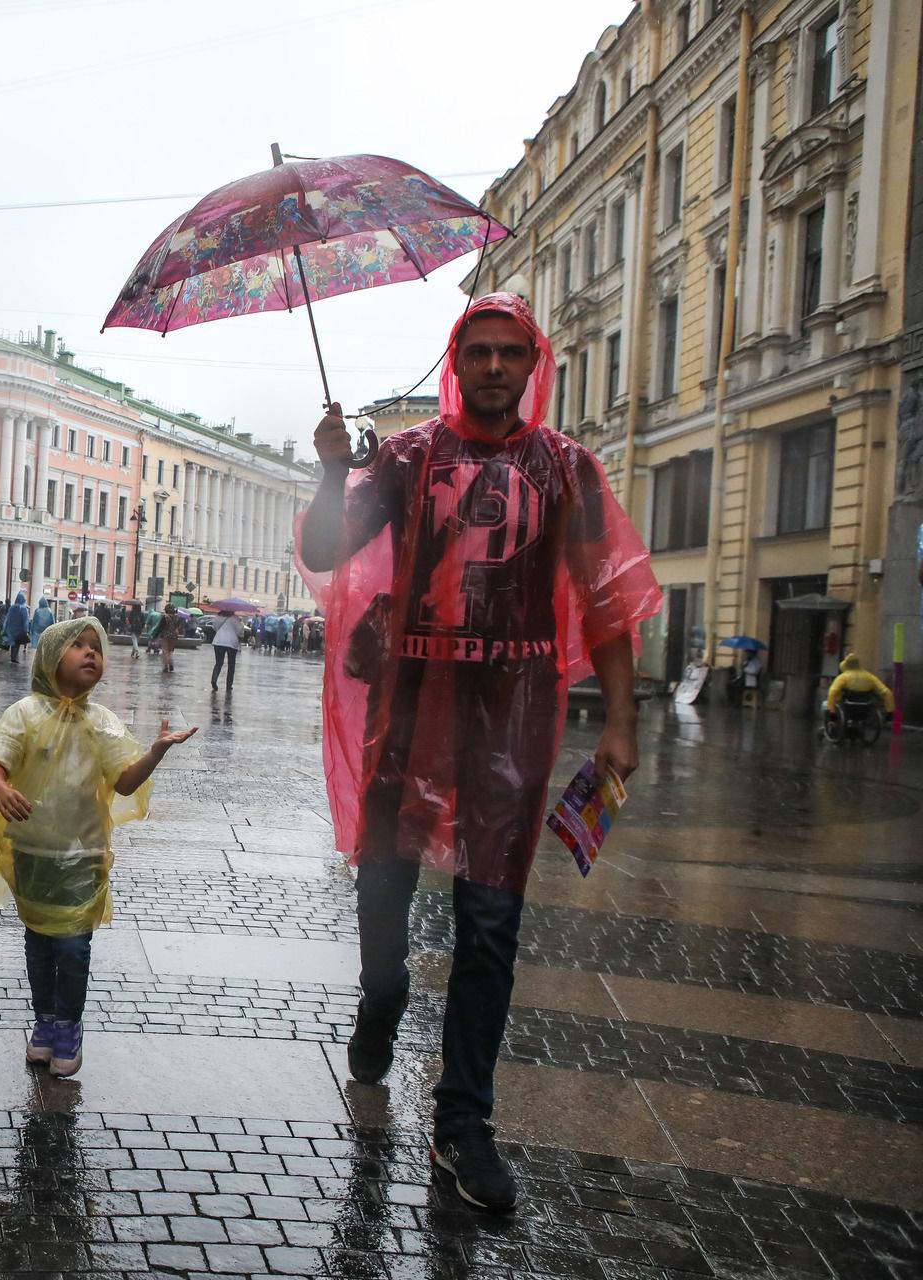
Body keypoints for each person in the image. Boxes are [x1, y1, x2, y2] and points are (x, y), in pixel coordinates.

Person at [298, 293, 658, 1213]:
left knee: (490, 929)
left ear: (532, 363)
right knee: (386, 936)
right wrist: (333, 474)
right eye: (478, 352)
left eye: (510, 353)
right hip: (407, 718)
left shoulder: (568, 468)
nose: (494, 367)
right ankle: (379, 1007)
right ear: (454, 363)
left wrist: (619, 720)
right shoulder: (411, 457)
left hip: (511, 722)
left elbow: (607, 600)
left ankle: (464, 1124)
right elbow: (328, 546)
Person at [0, 618, 196, 1076]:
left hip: (84, 853)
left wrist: (155, 752)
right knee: (39, 942)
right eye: (78, 646)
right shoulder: (25, 713)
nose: (92, 653)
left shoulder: (103, 722)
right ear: (51, 658)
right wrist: (0, 788)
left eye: (97, 647)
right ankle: (45, 1020)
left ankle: (68, 1023)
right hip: (33, 849)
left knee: (73, 944)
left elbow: (124, 780)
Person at [825, 653, 894, 730]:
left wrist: (832, 715)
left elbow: (832, 692)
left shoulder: (843, 677)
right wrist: (889, 715)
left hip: (846, 707)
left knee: (827, 703)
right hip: (865, 707)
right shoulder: (869, 677)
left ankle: (832, 724)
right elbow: (887, 692)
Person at [209, 608, 241, 694]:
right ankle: (229, 685)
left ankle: (214, 680)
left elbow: (214, 627)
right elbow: (239, 631)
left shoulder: (218, 617)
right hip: (232, 642)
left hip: (219, 641)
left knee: (219, 663)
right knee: (231, 665)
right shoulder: (235, 618)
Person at [3, 590, 32, 665]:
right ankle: (14, 657)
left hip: (11, 629)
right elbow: (25, 620)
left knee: (13, 643)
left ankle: (13, 657)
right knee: (17, 643)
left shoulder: (12, 607)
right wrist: (26, 630)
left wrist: (5, 628)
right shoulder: (23, 609)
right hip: (19, 629)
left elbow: (7, 618)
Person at [153, 601, 181, 673]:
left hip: (165, 636)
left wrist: (155, 635)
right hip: (173, 636)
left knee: (165, 651)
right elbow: (178, 627)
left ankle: (165, 666)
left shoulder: (165, 617)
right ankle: (171, 663)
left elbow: (160, 627)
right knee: (170, 651)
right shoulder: (177, 617)